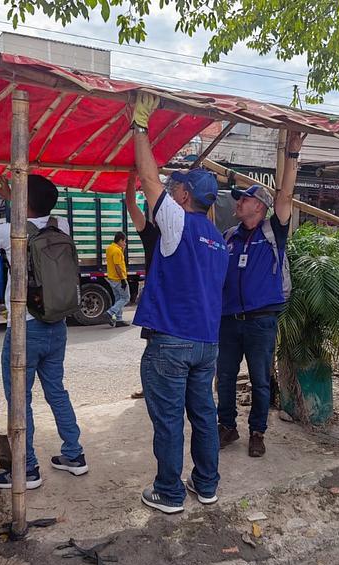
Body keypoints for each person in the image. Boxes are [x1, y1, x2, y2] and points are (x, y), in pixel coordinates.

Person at [130, 92, 228, 514]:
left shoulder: (178, 224)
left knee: (169, 420)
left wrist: (139, 126)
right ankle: (206, 485)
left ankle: (169, 493)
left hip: (171, 343)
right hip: (206, 344)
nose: (167, 190)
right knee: (203, 415)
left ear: (185, 196)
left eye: (175, 187)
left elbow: (149, 181)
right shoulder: (218, 241)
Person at [0, 174, 88, 490]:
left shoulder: (9, 232)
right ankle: (74, 455)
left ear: (24, 201)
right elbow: (31, 210)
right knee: (56, 391)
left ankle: (27, 469)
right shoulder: (60, 225)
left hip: (25, 327)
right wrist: (10, 195)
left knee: (19, 399)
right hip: (56, 323)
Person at [216, 131, 304, 458]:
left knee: (259, 380)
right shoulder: (229, 235)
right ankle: (227, 427)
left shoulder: (272, 231)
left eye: (244, 198)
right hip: (228, 321)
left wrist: (292, 156)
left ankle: (257, 432)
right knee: (223, 377)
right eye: (238, 197)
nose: (237, 202)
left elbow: (286, 197)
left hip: (261, 321)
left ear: (260, 207)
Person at [124, 172, 160, 400]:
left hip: (160, 302)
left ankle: (153, 389)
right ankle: (150, 388)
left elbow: (130, 204)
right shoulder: (153, 234)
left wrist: (131, 177)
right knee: (152, 348)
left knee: (155, 349)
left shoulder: (156, 233)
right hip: (158, 301)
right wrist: (132, 177)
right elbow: (131, 204)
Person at [105, 232, 131, 327]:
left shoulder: (110, 248)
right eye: (124, 241)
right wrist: (123, 280)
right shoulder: (117, 251)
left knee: (118, 298)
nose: (125, 243)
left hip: (111, 278)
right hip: (118, 279)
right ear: (120, 240)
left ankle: (119, 319)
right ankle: (110, 313)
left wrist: (122, 250)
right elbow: (117, 266)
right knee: (125, 298)